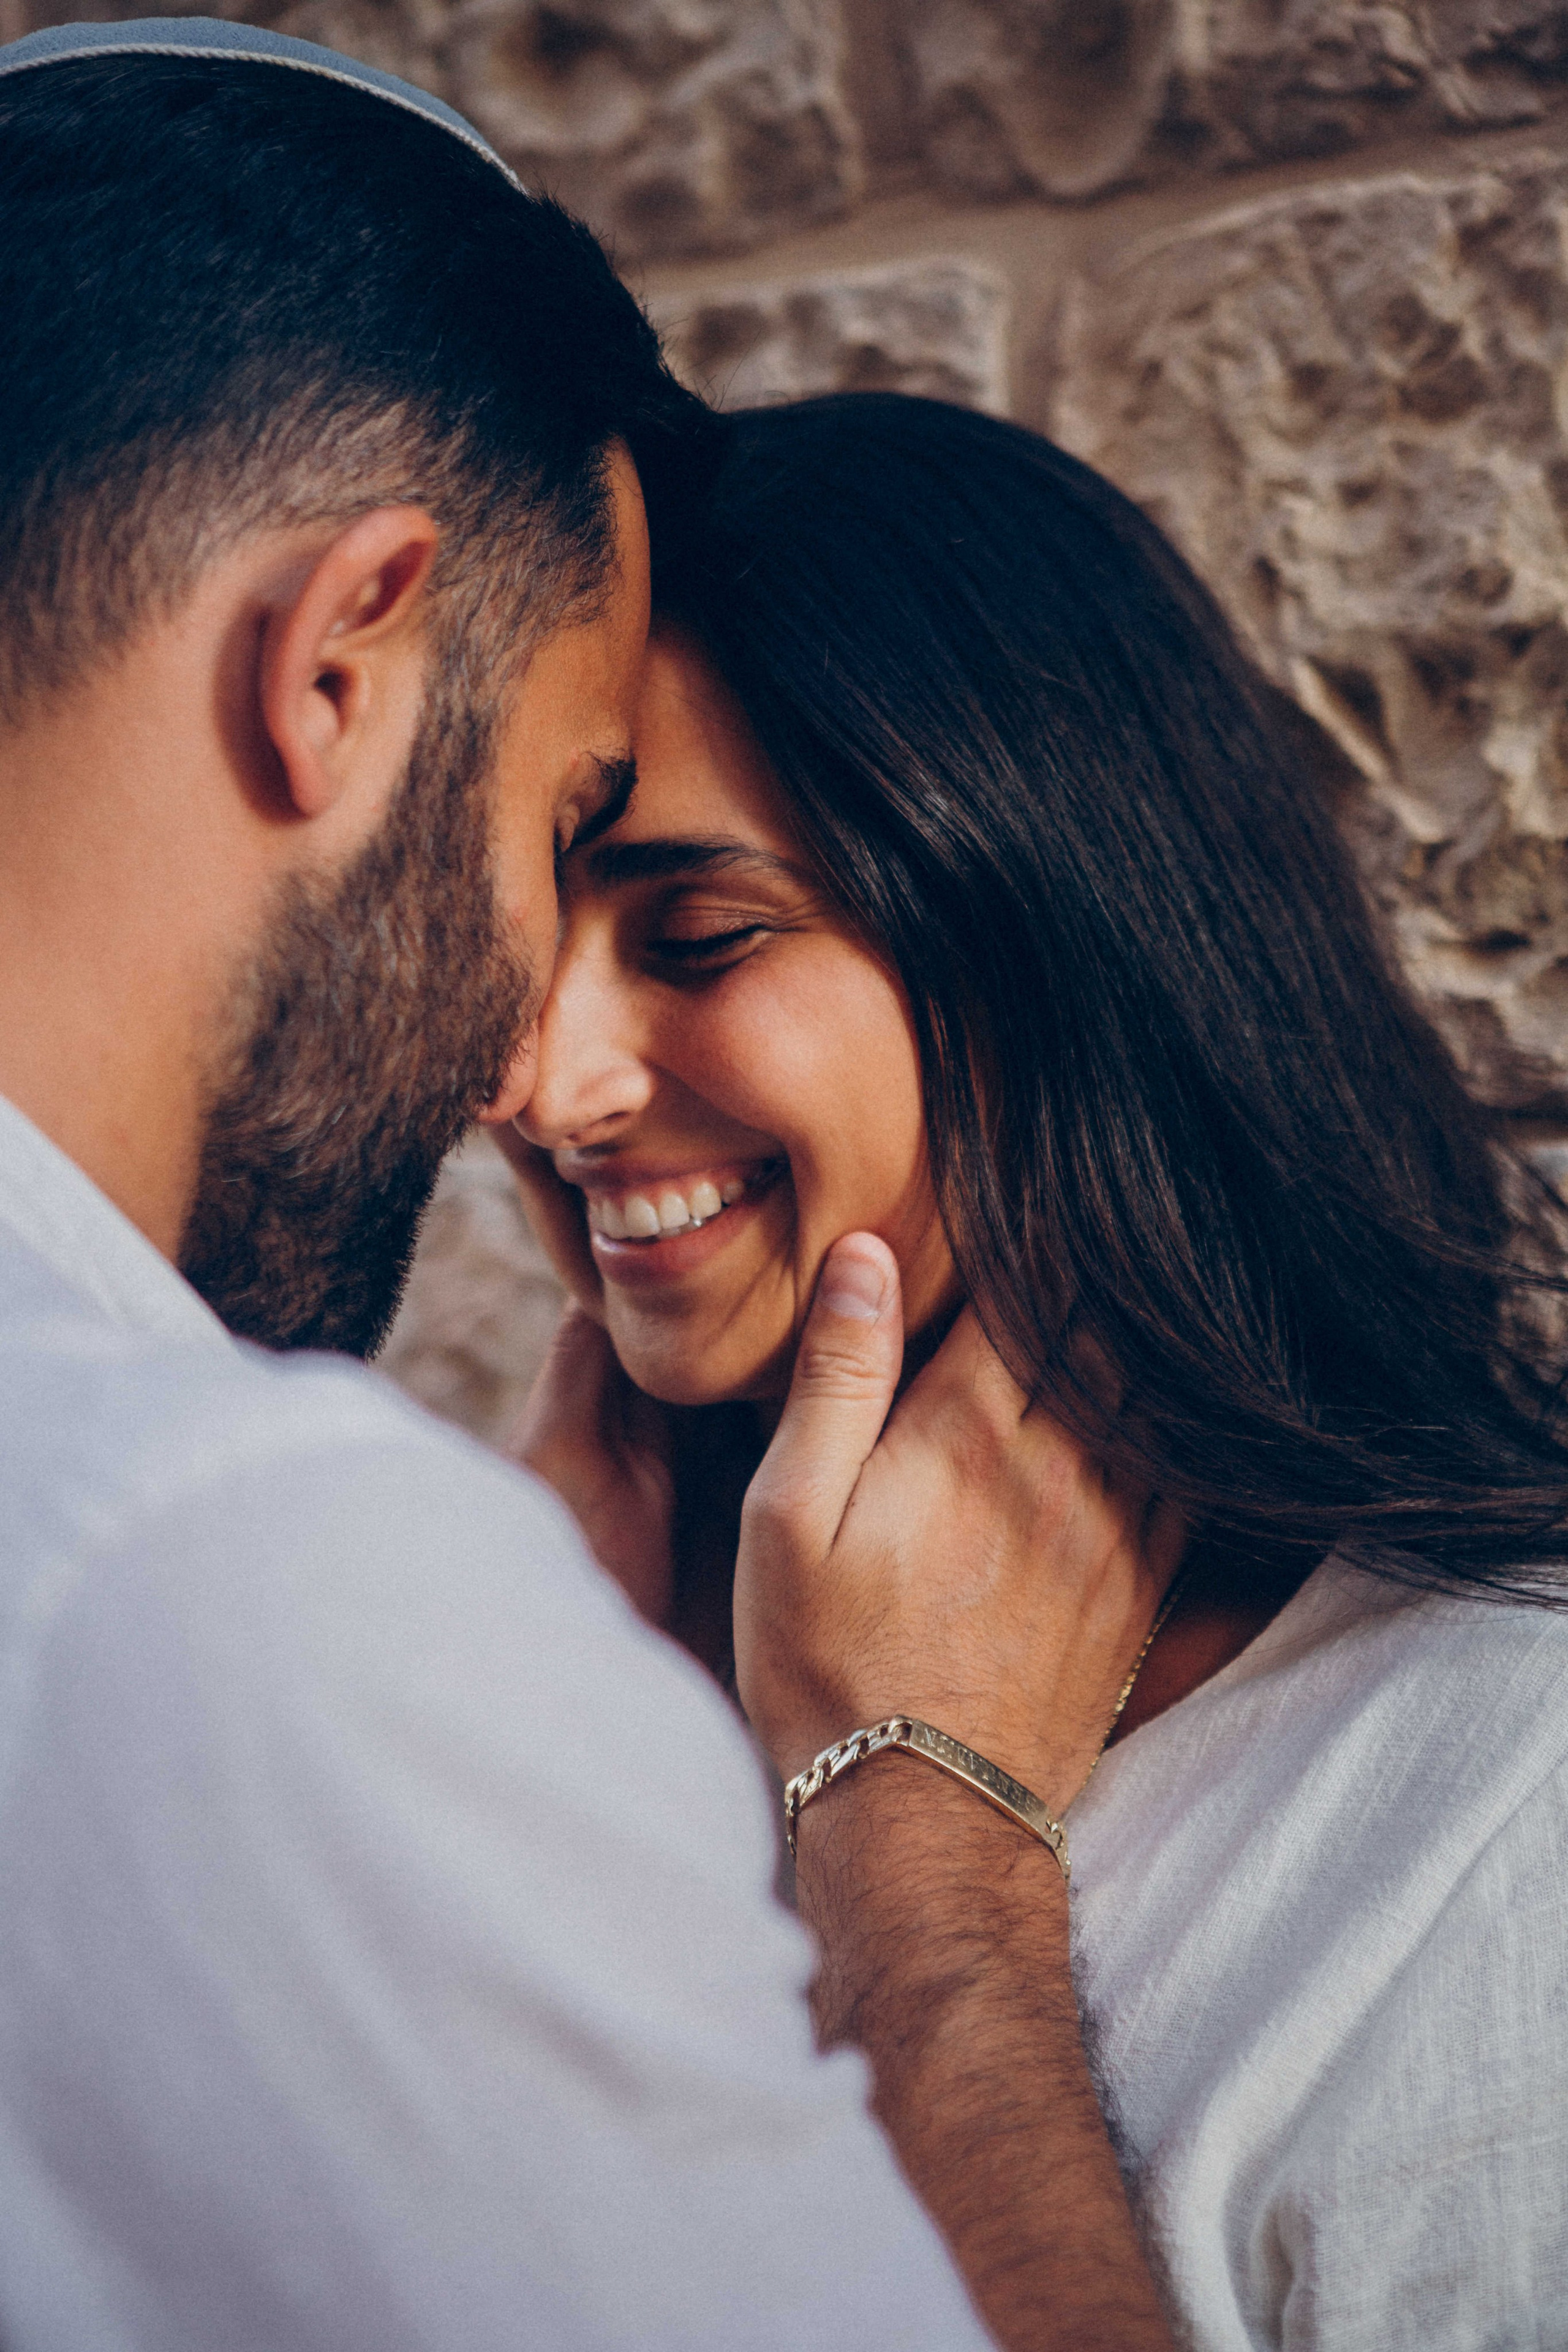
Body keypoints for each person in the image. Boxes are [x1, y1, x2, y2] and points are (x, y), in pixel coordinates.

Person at [0, 31, 1185, 2352]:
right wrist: (928, 1905)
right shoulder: (229, 1576)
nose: (526, 1069)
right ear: (342, 661)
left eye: (704, 920)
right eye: (561, 833)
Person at [507, 393, 1568, 2348]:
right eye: (514, 944)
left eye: (706, 933)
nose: (540, 1080)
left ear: (1056, 951)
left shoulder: (1510, 1805)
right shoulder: (580, 1706)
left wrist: (922, 1877)